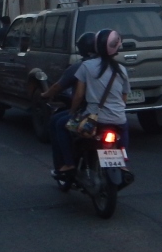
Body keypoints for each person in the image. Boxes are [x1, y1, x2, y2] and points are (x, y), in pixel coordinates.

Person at [50, 29, 130, 183]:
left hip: (93, 119)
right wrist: (117, 111)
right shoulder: (122, 70)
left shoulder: (86, 66)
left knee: (60, 125)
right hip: (118, 118)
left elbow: (79, 95)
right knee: (124, 127)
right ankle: (124, 163)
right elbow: (124, 97)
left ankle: (68, 164)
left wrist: (73, 112)